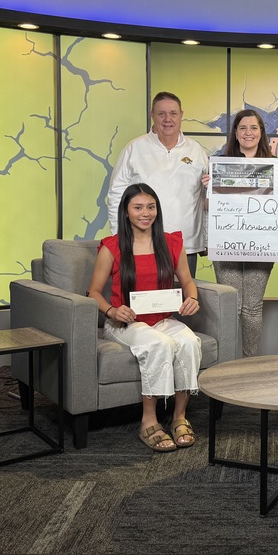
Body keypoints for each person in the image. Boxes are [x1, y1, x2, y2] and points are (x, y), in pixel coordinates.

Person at [88, 183, 202, 453]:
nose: (145, 213)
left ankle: (179, 417)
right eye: (137, 207)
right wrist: (112, 311)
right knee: (158, 343)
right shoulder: (112, 247)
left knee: (188, 340)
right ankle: (148, 421)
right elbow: (92, 292)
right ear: (126, 212)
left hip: (162, 318)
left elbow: (187, 281)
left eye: (150, 207)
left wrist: (192, 298)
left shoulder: (171, 243)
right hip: (124, 322)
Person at [106, 91, 209, 276]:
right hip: (142, 244)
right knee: (145, 301)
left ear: (181, 115)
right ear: (152, 115)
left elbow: (207, 197)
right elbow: (116, 195)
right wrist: (119, 238)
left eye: (173, 113)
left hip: (186, 245)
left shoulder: (196, 150)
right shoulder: (134, 148)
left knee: (183, 301)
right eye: (161, 114)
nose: (167, 119)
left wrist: (206, 240)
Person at [212, 109, 275, 358]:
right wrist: (208, 189)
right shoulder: (219, 164)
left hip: (262, 245)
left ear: (261, 133)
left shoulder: (276, 167)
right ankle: (226, 366)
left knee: (252, 308)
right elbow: (208, 207)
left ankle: (249, 364)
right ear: (235, 134)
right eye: (242, 128)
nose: (248, 133)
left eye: (254, 128)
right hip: (227, 243)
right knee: (231, 307)